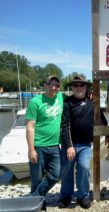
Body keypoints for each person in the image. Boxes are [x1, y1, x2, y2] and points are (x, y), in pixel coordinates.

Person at [26, 76, 64, 210]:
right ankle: (38, 203)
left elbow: (76, 99)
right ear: (45, 85)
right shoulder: (35, 102)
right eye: (50, 84)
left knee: (56, 175)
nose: (53, 87)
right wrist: (31, 149)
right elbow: (30, 126)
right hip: (38, 146)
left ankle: (33, 198)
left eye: (56, 85)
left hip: (55, 146)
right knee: (36, 178)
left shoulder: (61, 98)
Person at [58, 75, 94, 209]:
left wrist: (107, 133)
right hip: (70, 146)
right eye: (75, 85)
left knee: (84, 168)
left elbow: (100, 116)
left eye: (82, 85)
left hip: (85, 145)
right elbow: (65, 125)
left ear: (86, 87)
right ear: (72, 87)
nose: (78, 87)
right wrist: (69, 146)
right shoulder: (67, 102)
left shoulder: (92, 100)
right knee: (67, 171)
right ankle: (66, 195)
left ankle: (83, 196)